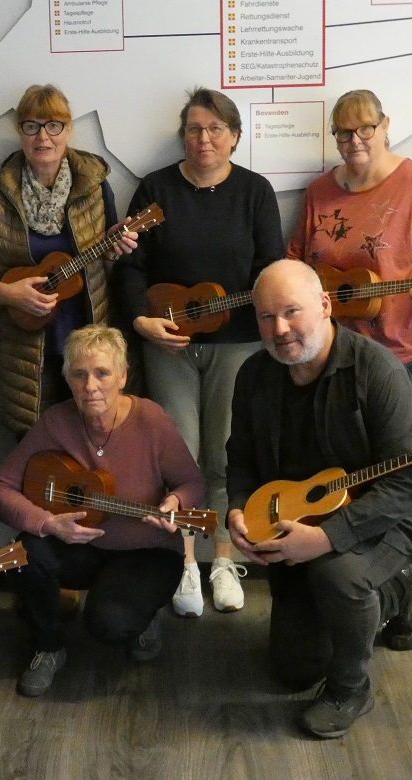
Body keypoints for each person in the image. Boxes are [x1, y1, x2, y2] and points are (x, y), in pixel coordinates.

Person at [226, 259, 412, 739]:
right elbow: (241, 458)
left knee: (337, 574)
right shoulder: (254, 375)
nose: (279, 329)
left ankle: (350, 686)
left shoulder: (377, 370)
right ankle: (364, 606)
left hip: (387, 519)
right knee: (293, 671)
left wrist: (326, 539)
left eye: (292, 312)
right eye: (265, 317)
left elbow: (407, 486)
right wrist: (238, 507)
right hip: (293, 519)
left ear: (323, 305)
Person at [113, 87, 285, 616]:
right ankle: (186, 564)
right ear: (182, 135)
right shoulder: (155, 189)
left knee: (225, 455)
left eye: (215, 129)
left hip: (237, 346)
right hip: (167, 346)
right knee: (179, 456)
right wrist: (142, 322)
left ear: (234, 136)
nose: (204, 138)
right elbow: (129, 265)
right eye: (194, 129)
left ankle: (224, 562)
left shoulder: (255, 192)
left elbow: (270, 268)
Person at [0, 325, 205, 697]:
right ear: (68, 379)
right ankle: (48, 647)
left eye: (102, 373)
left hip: (145, 553)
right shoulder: (56, 421)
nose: (90, 386)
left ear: (122, 376)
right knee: (25, 553)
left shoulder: (151, 420)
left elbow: (193, 482)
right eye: (79, 374)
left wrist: (175, 503)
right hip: (82, 548)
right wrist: (47, 523)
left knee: (109, 624)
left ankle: (144, 615)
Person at [287, 89, 412, 427]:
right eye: (343, 132)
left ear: (385, 126)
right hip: (334, 353)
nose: (354, 140)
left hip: (403, 354)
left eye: (365, 129)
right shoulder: (318, 191)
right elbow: (295, 260)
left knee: (398, 464)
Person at [0, 84, 136, 439]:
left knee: (92, 441)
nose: (43, 137)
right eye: (31, 126)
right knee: (34, 448)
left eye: (53, 125)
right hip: (22, 348)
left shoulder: (94, 185)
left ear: (68, 130)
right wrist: (11, 295)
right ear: (20, 132)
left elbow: (110, 265)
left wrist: (114, 250)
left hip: (87, 342)